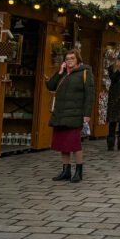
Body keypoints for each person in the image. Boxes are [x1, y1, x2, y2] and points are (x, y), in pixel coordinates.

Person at [46, 50, 93, 183]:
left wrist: (87, 114)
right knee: (62, 144)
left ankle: (78, 171)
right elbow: (50, 86)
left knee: (74, 144)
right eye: (67, 58)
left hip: (75, 114)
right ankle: (66, 170)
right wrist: (59, 72)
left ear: (78, 60)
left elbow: (90, 95)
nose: (69, 60)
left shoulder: (85, 73)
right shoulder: (63, 73)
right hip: (60, 113)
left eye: (72, 58)